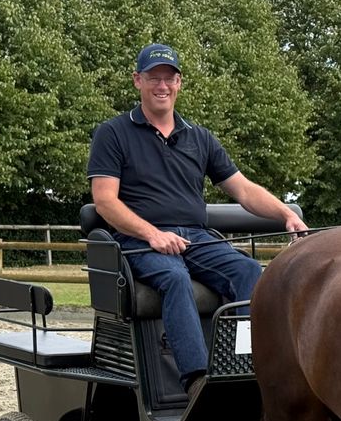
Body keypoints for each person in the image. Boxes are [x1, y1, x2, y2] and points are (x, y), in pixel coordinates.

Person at [87, 43, 305, 395]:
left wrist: (285, 214)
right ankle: (198, 379)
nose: (162, 86)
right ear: (137, 81)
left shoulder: (199, 137)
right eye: (154, 78)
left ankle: (245, 364)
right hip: (138, 242)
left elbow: (244, 190)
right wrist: (153, 234)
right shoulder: (113, 134)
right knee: (175, 279)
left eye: (169, 78)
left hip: (196, 238)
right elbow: (105, 202)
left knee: (249, 272)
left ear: (179, 83)